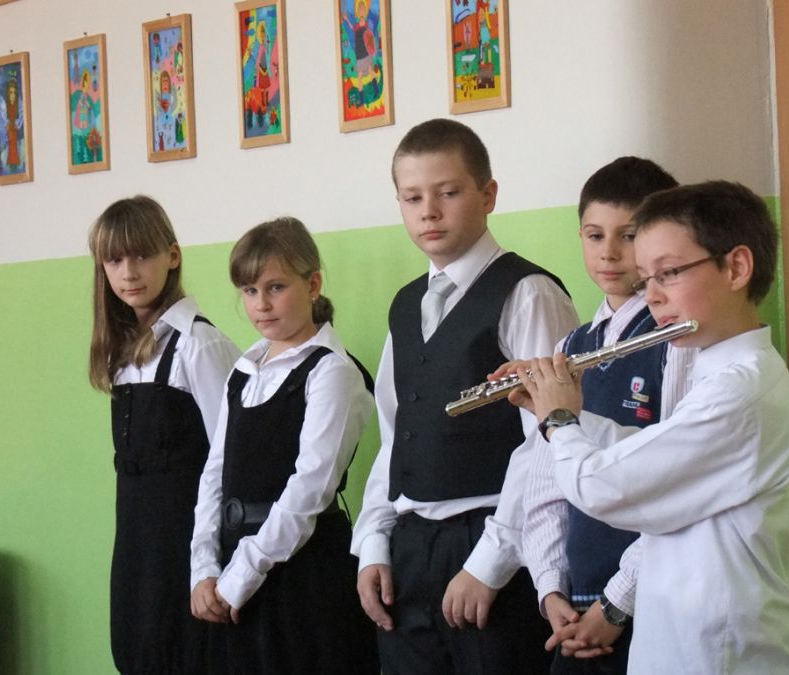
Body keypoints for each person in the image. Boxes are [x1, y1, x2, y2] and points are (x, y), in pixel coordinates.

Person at [513, 181, 789, 674]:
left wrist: (559, 420)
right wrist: (564, 409)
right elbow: (651, 453)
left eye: (668, 274)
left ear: (736, 267)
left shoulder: (740, 391)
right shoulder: (723, 374)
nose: (651, 296)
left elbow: (604, 487)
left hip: (720, 654)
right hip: (684, 642)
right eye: (647, 278)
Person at [351, 117, 579, 674]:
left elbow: (548, 444)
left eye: (448, 192)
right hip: (409, 549)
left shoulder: (528, 293)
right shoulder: (405, 305)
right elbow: (396, 435)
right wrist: (374, 541)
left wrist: (490, 563)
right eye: (412, 198)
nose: (429, 211)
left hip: (492, 544)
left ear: (488, 195)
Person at [519, 157, 695, 674]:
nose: (609, 253)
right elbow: (545, 480)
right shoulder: (571, 345)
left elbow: (675, 485)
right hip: (576, 607)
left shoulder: (677, 343)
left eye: (629, 236)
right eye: (595, 236)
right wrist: (550, 586)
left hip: (646, 600)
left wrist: (618, 603)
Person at [190, 218, 379, 675]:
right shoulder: (244, 369)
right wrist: (204, 568)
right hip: (233, 570)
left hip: (300, 574)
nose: (261, 304)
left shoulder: (332, 372)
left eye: (276, 287)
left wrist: (242, 574)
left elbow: (309, 489)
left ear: (312, 284)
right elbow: (215, 472)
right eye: (250, 291)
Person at [87, 195, 241, 674]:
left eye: (141, 255)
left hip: (189, 548)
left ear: (172, 256)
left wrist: (212, 566)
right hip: (137, 546)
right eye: (115, 260)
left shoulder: (200, 345)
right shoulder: (122, 354)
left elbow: (232, 461)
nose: (128, 272)